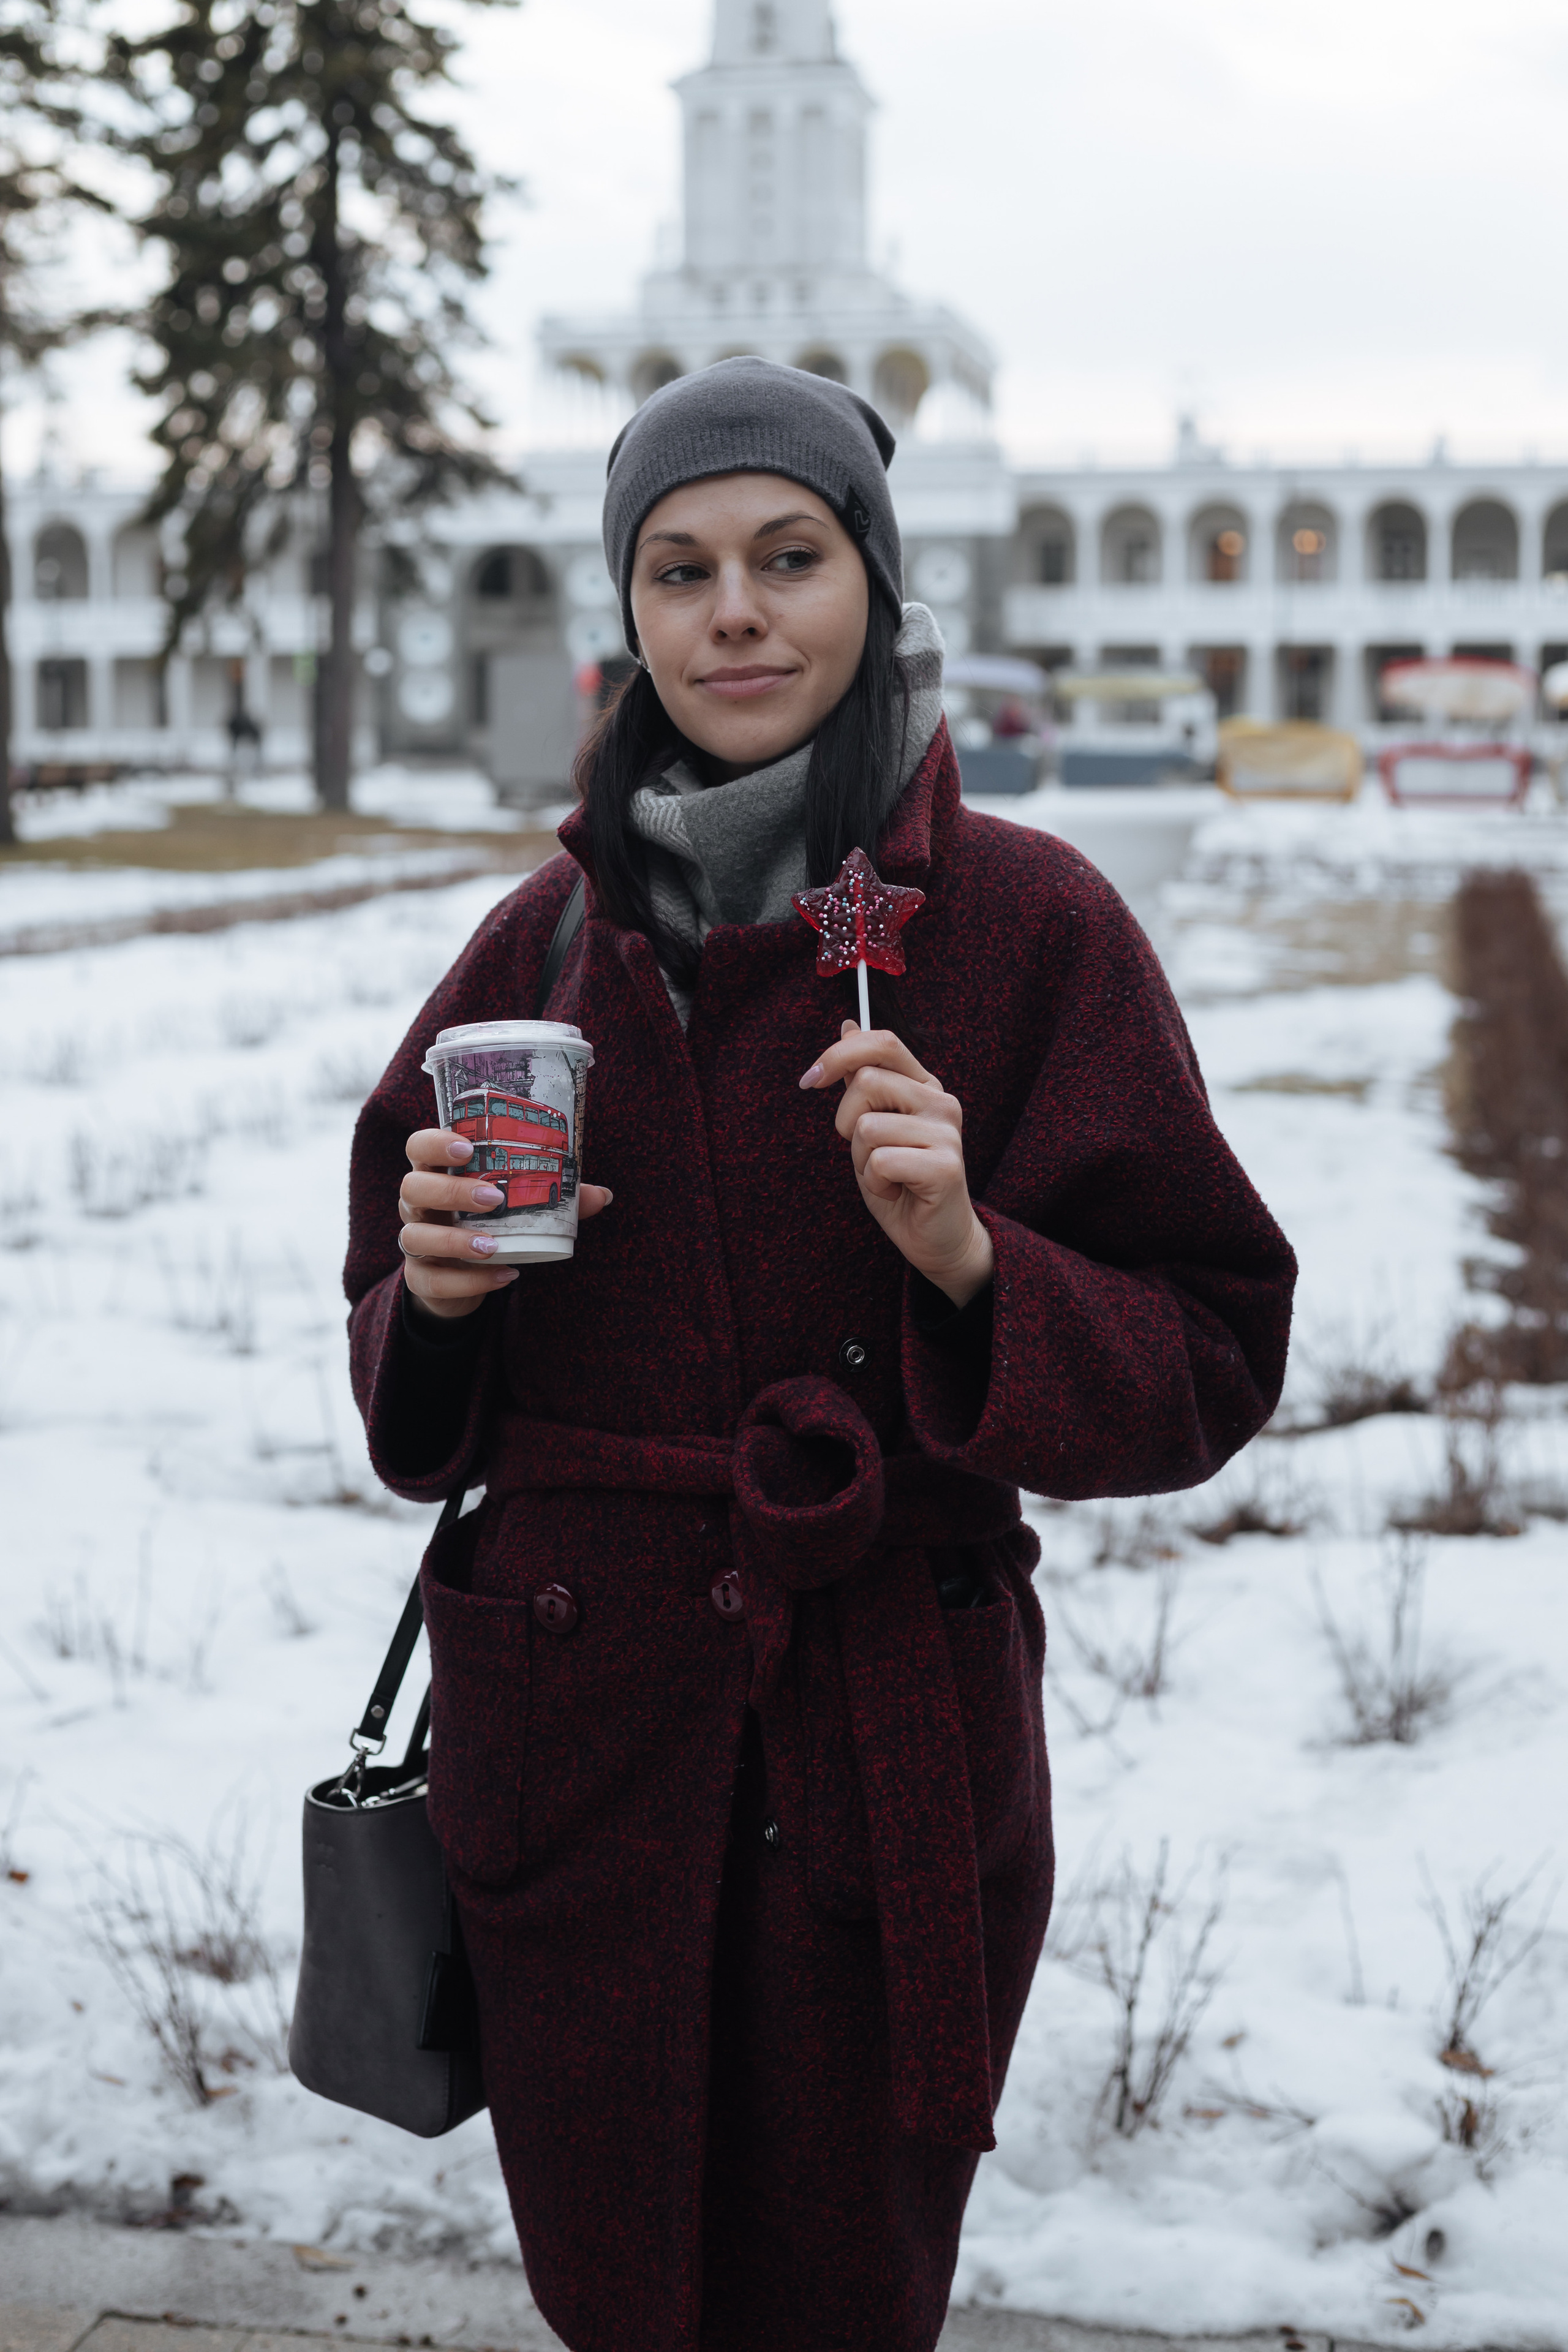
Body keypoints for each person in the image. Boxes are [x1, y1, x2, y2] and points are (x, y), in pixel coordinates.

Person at [344, 358, 1295, 2352]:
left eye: (790, 556)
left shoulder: (1025, 926)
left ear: (872, 573)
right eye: (678, 570)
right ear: (630, 613)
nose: (735, 612)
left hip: (887, 1743)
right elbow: (399, 1370)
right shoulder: (540, 949)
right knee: (614, 2285)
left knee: (845, 2293)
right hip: (578, 1748)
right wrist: (430, 1307)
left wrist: (973, 1261)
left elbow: (1214, 1347)